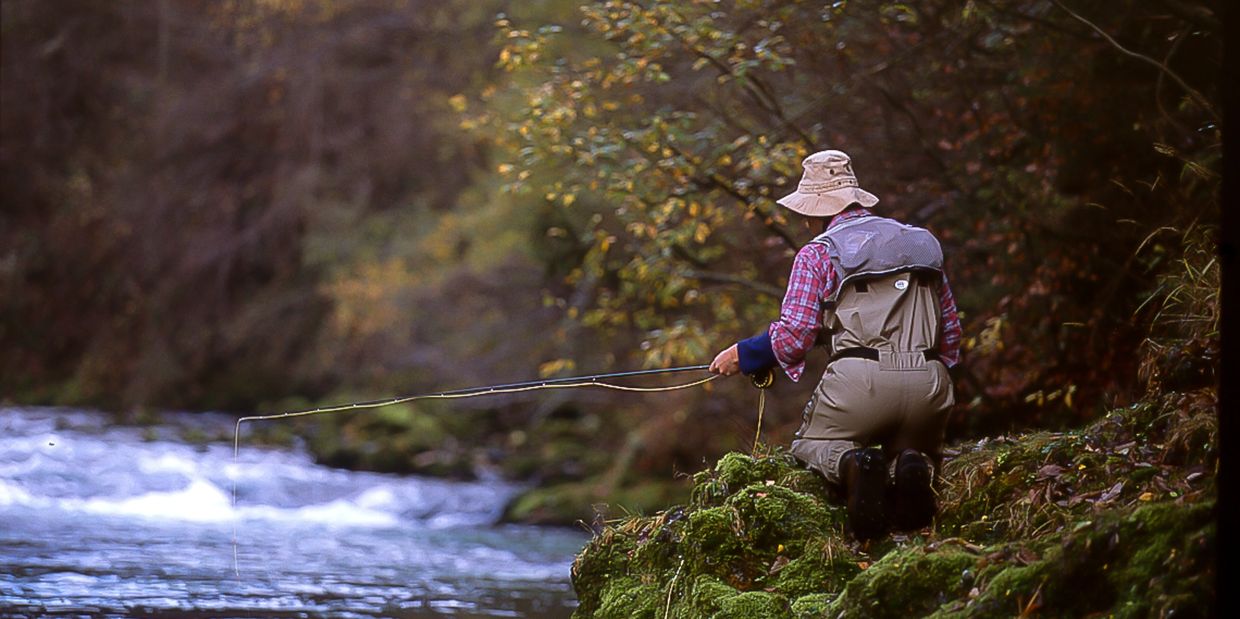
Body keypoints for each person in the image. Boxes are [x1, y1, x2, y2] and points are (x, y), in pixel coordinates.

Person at [708, 149, 962, 541]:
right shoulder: (922, 244)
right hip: (929, 380)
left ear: (815, 211)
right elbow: (951, 333)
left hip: (860, 383)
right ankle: (913, 466)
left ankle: (855, 464)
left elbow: (795, 337)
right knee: (915, 449)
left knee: (813, 444)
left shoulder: (818, 254)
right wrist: (933, 377)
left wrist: (744, 354)